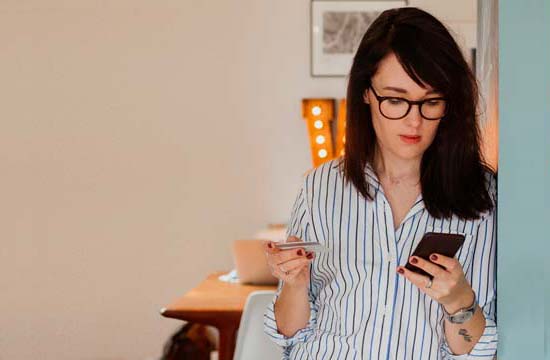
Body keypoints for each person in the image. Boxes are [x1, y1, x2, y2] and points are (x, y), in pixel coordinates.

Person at [263, 7, 497, 360]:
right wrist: (294, 285)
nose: (413, 121)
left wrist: (458, 301)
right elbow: (290, 334)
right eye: (395, 100)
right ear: (366, 94)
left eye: (431, 101)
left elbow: (474, 353)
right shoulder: (320, 188)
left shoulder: (483, 197)